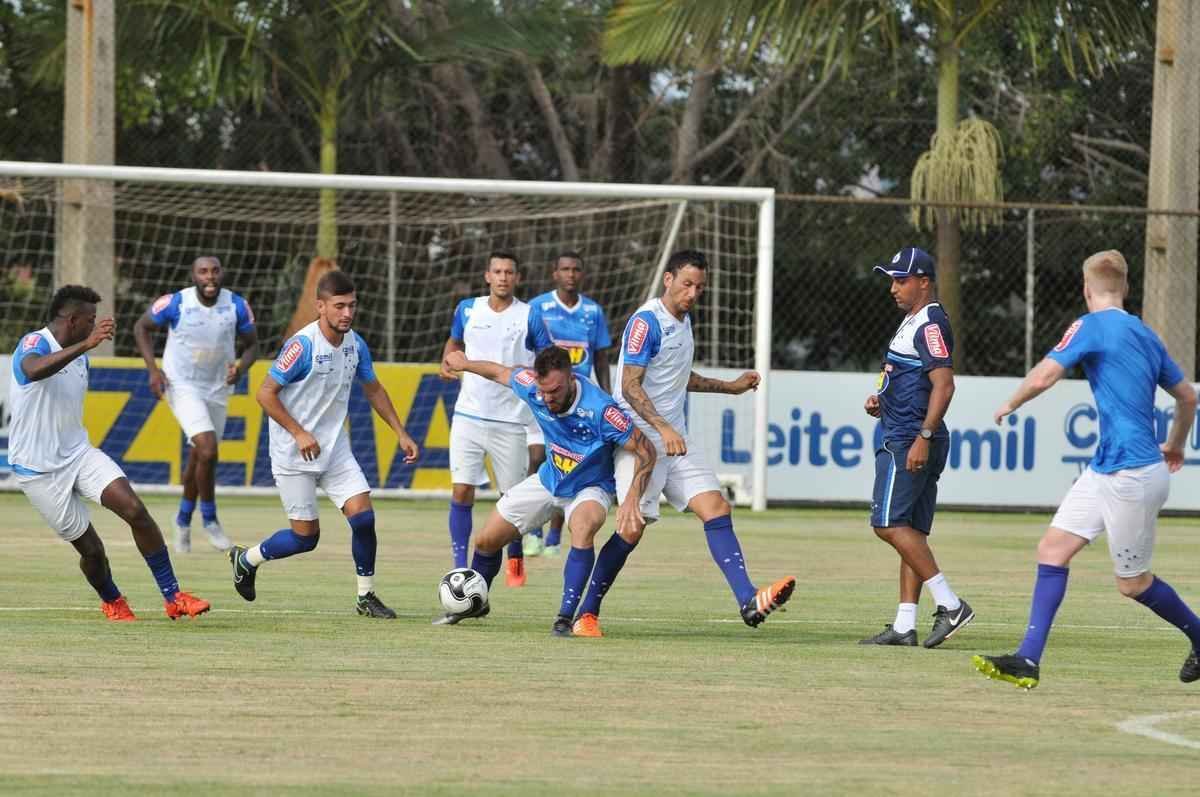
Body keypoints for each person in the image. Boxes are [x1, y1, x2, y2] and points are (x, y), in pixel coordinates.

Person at [974, 250, 1200, 689]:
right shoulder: (1145, 333)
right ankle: (1027, 659)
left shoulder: (1090, 325)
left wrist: (1011, 402)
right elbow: (1188, 397)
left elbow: (1044, 376)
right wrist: (1174, 444)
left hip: (1131, 474)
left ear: (1085, 287)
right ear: (1127, 288)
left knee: (1132, 585)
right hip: (1110, 468)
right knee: (1052, 550)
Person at [570, 249, 795, 638]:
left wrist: (729, 388)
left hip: (674, 436)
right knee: (630, 529)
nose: (693, 293)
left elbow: (675, 376)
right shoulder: (646, 321)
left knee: (716, 507)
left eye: (700, 287)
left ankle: (747, 599)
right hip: (637, 439)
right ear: (668, 280)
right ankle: (586, 614)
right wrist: (662, 427)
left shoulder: (683, 320)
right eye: (687, 284)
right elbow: (629, 385)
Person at [9, 285, 211, 621]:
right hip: (38, 471)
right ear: (72, 320)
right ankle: (113, 600)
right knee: (92, 551)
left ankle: (173, 596)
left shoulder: (80, 356)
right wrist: (85, 344)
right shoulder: (36, 342)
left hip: (79, 455)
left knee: (135, 510)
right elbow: (32, 370)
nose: (95, 327)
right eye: (90, 320)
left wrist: (83, 348)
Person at [228, 271, 419, 618]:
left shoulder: (355, 344)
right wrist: (299, 432)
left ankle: (366, 596)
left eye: (352, 305)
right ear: (320, 307)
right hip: (292, 451)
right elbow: (264, 394)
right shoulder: (302, 346)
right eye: (339, 306)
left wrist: (400, 432)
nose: (347, 313)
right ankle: (247, 559)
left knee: (363, 519)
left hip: (335, 450)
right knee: (305, 538)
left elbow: (373, 388)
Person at [435, 346, 656, 635]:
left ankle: (565, 618)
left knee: (582, 527)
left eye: (555, 390)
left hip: (589, 488)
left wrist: (630, 498)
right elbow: (500, 372)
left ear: (571, 378)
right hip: (549, 479)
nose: (547, 398)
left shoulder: (601, 410)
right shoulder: (533, 388)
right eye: (544, 391)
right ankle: (475, 603)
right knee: (487, 541)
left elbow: (646, 450)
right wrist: (465, 363)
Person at [859, 246, 974, 649]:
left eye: (901, 279)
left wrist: (923, 436)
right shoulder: (912, 321)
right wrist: (882, 398)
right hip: (906, 430)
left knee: (887, 525)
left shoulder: (929, 324)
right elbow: (911, 378)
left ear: (924, 282)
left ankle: (951, 604)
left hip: (909, 438)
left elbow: (945, 384)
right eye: (891, 279)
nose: (893, 288)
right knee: (911, 531)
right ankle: (905, 624)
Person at [133, 256, 258, 553]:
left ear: (222, 273)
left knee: (200, 456)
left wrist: (240, 368)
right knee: (208, 448)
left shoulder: (237, 305)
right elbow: (141, 327)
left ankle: (182, 520)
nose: (210, 277)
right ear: (193, 276)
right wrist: (153, 369)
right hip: (182, 384)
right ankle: (210, 520)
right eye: (203, 272)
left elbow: (253, 345)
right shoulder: (176, 303)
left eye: (215, 270)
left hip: (218, 388)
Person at [440, 251, 536, 587]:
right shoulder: (468, 309)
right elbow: (454, 340)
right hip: (468, 414)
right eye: (498, 271)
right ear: (487, 276)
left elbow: (548, 355)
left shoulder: (529, 315)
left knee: (512, 499)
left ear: (517, 278)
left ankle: (515, 555)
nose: (503, 277)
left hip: (510, 420)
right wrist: (446, 359)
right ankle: (458, 565)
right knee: (462, 490)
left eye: (509, 272)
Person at [523, 251, 613, 557]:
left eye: (576, 269)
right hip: (546, 398)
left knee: (570, 466)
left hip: (578, 403)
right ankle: (534, 530)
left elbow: (600, 356)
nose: (571, 274)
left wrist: (608, 393)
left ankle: (553, 537)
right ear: (554, 273)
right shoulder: (537, 307)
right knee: (537, 457)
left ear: (582, 274)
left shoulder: (593, 311)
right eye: (565, 269)